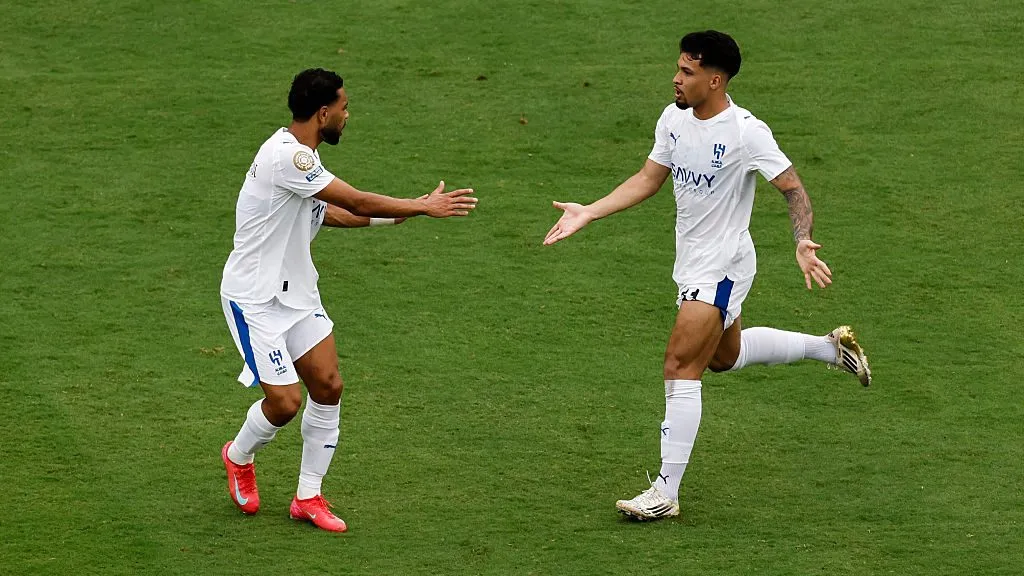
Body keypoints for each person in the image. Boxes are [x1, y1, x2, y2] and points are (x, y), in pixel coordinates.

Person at [543, 31, 870, 521]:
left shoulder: (745, 132)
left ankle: (665, 491)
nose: (676, 79)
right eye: (678, 69)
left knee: (680, 366)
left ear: (715, 80)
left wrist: (802, 240)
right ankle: (830, 347)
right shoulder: (673, 119)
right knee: (724, 357)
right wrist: (589, 211)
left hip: (723, 266)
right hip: (692, 263)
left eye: (687, 72)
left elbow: (793, 189)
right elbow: (649, 178)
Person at [219, 68, 478, 532]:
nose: (347, 115)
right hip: (254, 299)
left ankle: (308, 497)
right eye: (343, 107)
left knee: (329, 386)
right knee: (284, 403)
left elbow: (332, 212)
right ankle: (238, 457)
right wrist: (421, 206)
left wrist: (399, 217)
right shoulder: (289, 159)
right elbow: (356, 201)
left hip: (296, 294)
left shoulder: (300, 162)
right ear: (323, 113)